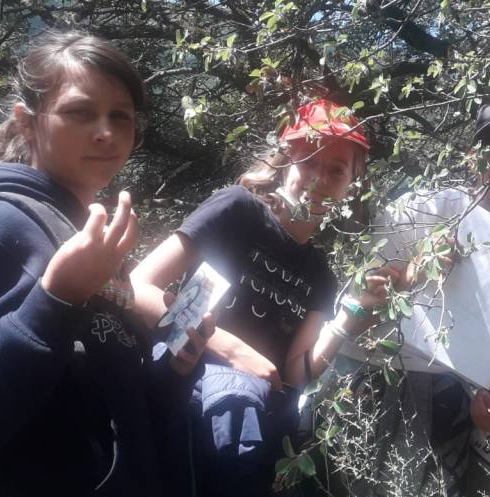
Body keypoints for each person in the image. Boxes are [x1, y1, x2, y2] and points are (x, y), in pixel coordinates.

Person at [0, 30, 212, 496]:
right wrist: (57, 298)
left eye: (121, 116)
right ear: (27, 123)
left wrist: (174, 369)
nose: (106, 132)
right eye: (79, 112)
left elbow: (107, 397)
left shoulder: (85, 234)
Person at [130, 99, 395, 497]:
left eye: (337, 170)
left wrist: (349, 317)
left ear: (350, 186)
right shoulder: (238, 210)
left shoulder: (321, 275)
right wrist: (236, 353)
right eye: (309, 161)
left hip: (249, 434)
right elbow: (139, 286)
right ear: (286, 162)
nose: (319, 178)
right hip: (180, 401)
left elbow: (295, 374)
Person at [336, 93, 490, 497]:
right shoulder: (420, 210)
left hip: (450, 418)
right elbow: (347, 323)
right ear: (473, 158)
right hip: (374, 389)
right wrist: (411, 275)